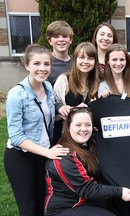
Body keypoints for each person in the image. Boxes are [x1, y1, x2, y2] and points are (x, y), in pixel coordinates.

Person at [4, 44, 70, 216]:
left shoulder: (47, 87)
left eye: (46, 64)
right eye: (37, 64)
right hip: (21, 156)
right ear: (27, 65)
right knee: (28, 208)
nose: (42, 68)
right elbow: (16, 136)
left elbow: (44, 119)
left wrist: (62, 114)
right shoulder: (16, 95)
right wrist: (47, 152)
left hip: (42, 155)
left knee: (44, 204)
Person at [44, 107, 130, 216]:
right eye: (78, 125)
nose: (84, 129)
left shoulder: (89, 144)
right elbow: (86, 189)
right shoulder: (63, 156)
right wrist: (119, 191)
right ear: (68, 128)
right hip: (65, 208)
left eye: (88, 125)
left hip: (88, 202)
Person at [53, 42, 99, 144]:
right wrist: (68, 110)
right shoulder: (64, 80)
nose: (85, 61)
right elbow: (53, 106)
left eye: (90, 58)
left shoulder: (98, 83)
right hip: (66, 137)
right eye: (81, 57)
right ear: (75, 60)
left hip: (90, 138)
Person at [46, 20, 74, 86]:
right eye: (56, 37)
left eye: (65, 36)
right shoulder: (45, 64)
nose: (61, 40)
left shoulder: (78, 62)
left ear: (71, 40)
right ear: (49, 41)